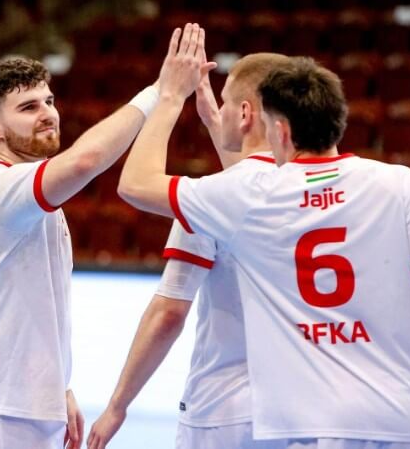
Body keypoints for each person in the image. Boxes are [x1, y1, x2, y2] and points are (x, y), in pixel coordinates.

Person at [118, 24, 410, 449]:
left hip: (324, 423)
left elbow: (136, 184)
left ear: (280, 130)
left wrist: (170, 96)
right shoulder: (398, 182)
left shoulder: (251, 195)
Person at [0, 56, 162, 449]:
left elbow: (33, 307)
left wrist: (58, 385)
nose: (47, 114)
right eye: (29, 107)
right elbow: (87, 160)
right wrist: (160, 92)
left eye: (49, 101)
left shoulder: (28, 195)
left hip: (24, 406)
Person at [87, 52, 290, 449]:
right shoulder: (324, 192)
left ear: (245, 113)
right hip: (308, 408)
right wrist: (215, 121)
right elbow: (250, 184)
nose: (220, 109)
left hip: (224, 412)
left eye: (226, 102)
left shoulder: (207, 200)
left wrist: (117, 405)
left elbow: (168, 314)